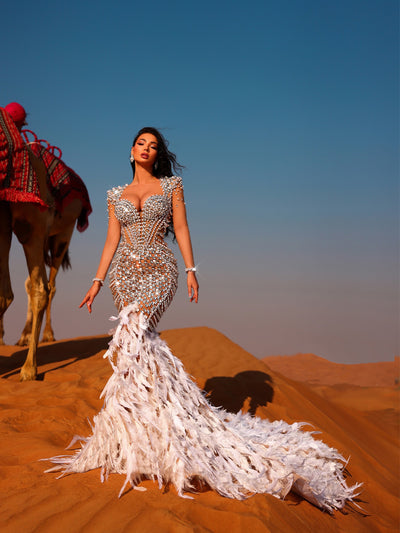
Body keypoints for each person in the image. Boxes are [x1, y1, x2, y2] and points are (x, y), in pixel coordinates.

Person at [45, 127, 360, 511]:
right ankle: (140, 434)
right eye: (141, 144)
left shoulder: (172, 186)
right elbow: (112, 239)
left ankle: (166, 434)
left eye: (153, 146)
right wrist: (96, 281)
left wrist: (191, 269)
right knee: (131, 347)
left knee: (139, 330)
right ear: (131, 152)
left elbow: (180, 227)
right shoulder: (115, 195)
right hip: (123, 272)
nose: (146, 149)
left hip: (161, 268)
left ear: (157, 154)